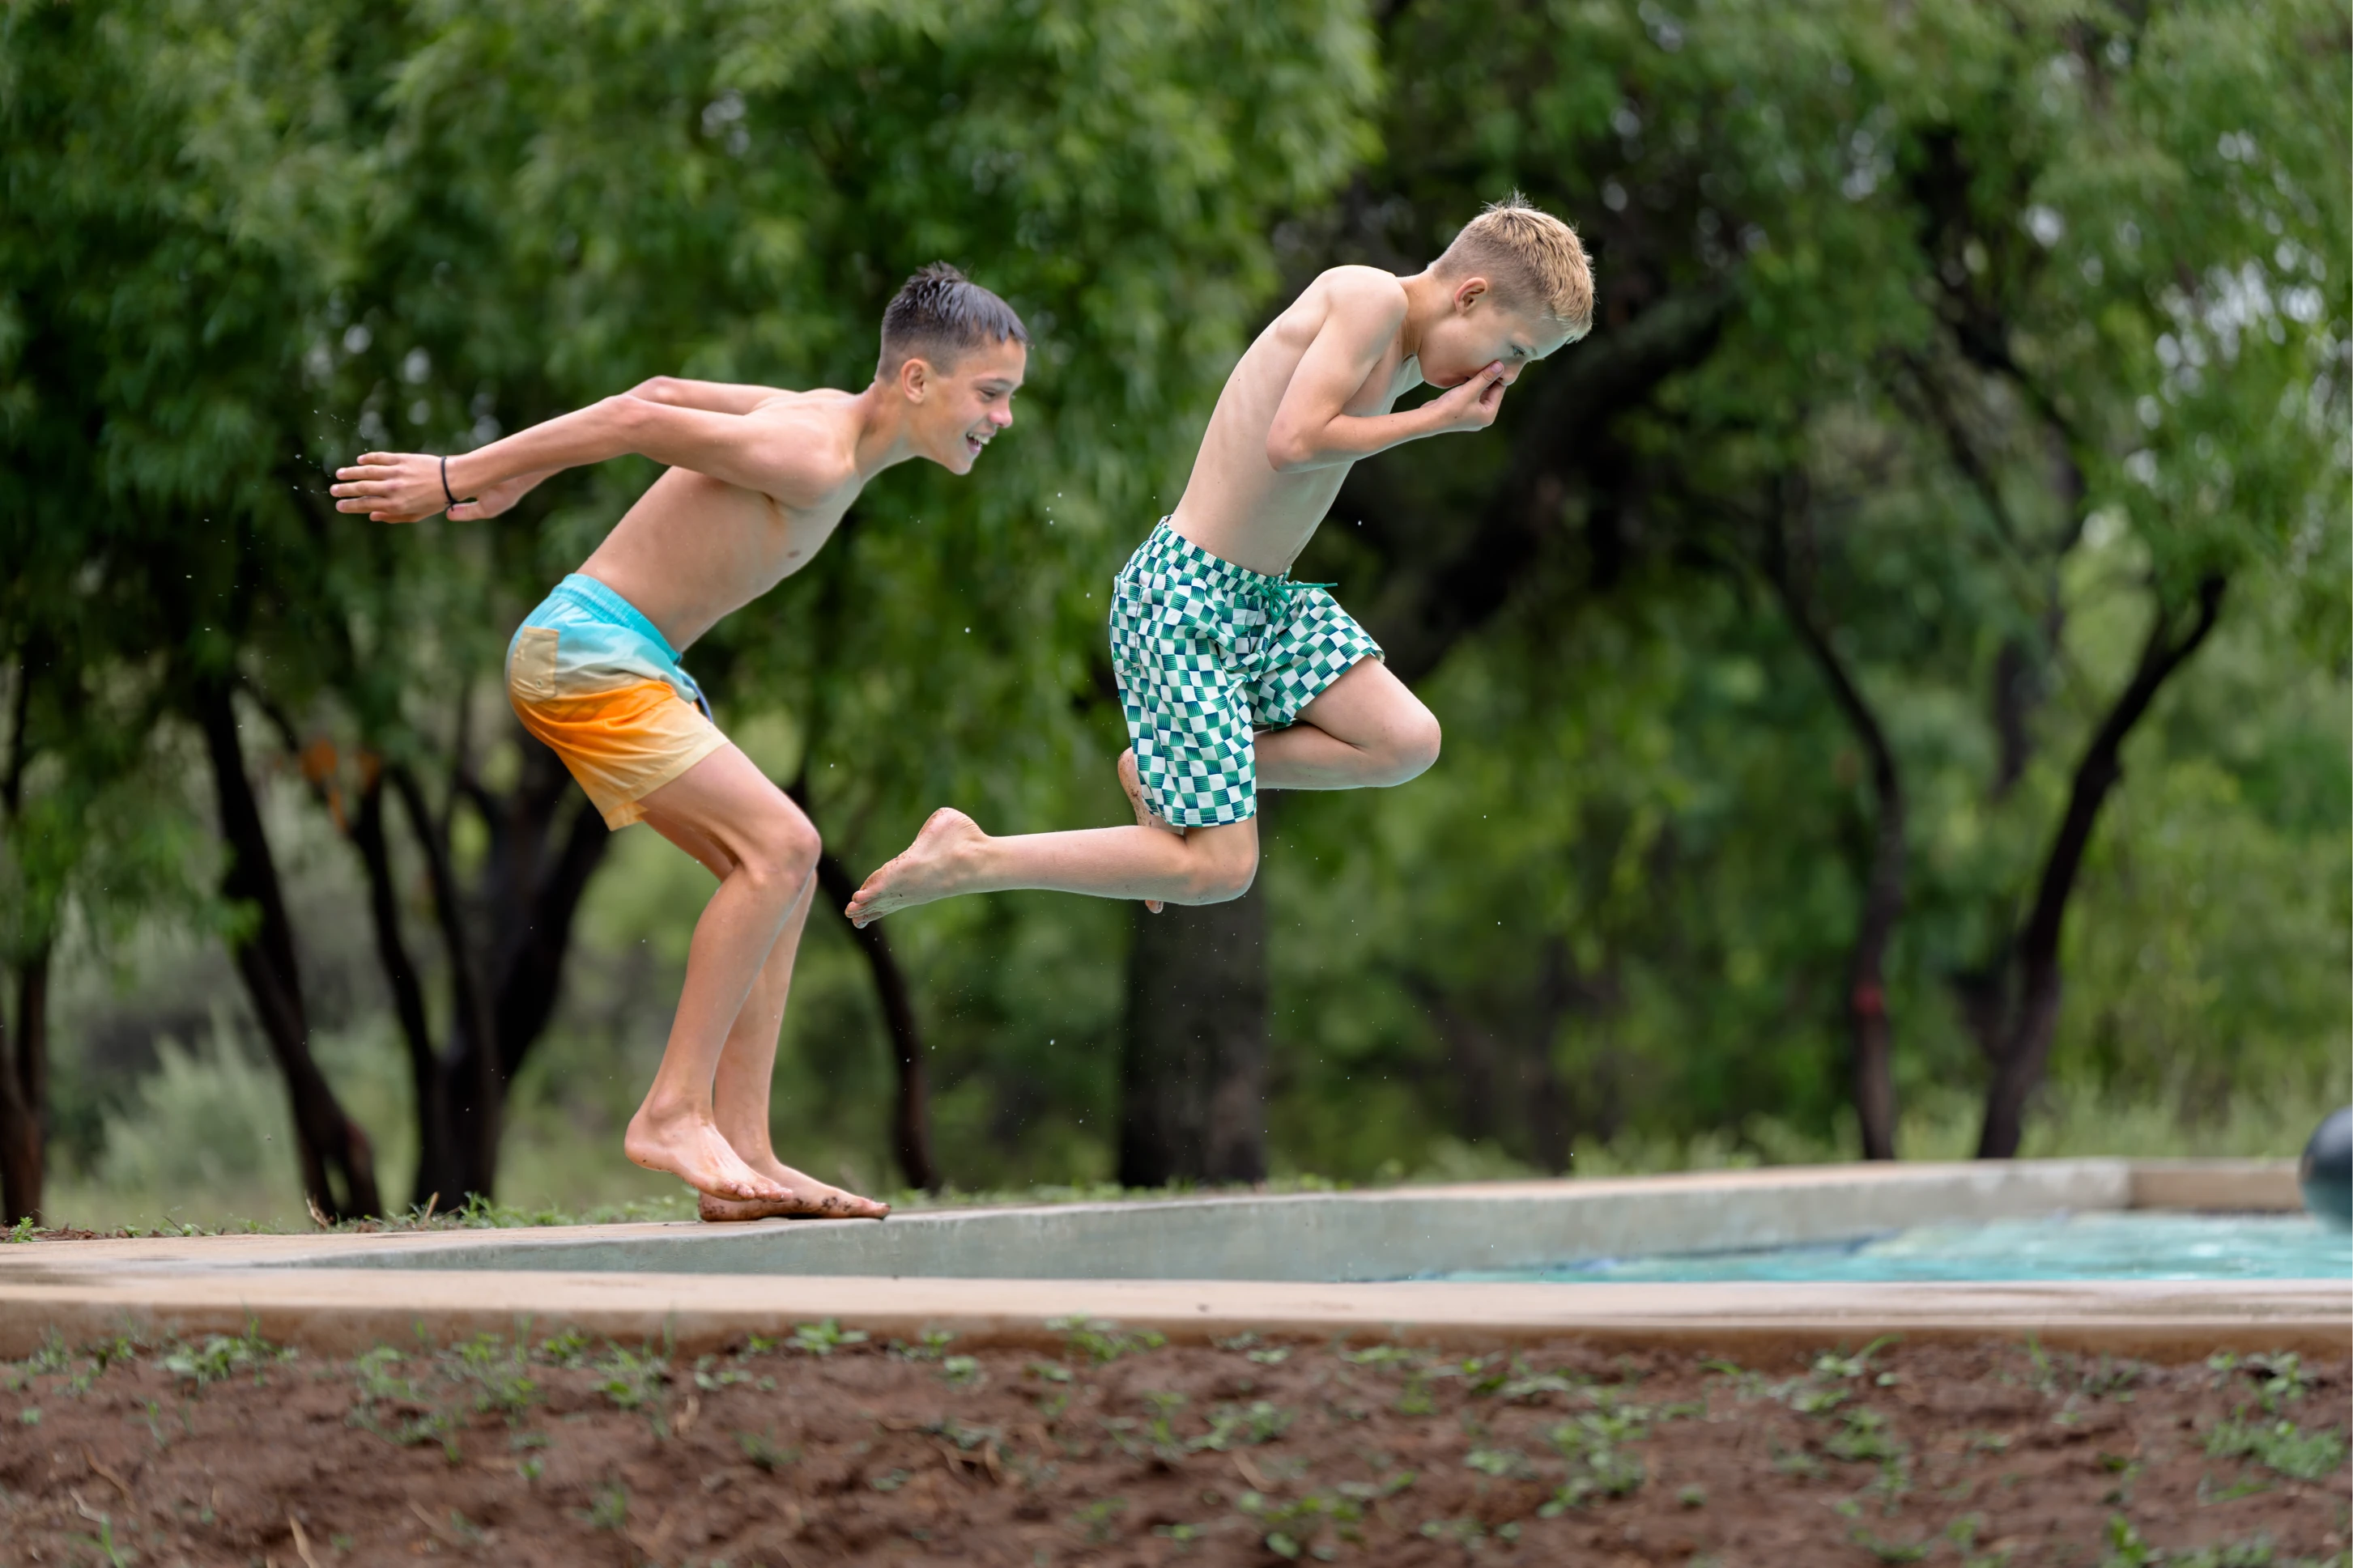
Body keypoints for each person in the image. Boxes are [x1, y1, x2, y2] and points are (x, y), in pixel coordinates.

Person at [330, 265, 1030, 1221]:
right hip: (585, 652)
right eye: (990, 395)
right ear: (916, 380)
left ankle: (743, 1157)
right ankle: (671, 1110)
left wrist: (521, 479)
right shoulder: (813, 452)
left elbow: (660, 394)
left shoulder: (830, 423)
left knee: (778, 876)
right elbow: (631, 418)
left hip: (623, 655)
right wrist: (462, 474)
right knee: (783, 847)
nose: (1001, 418)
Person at [845, 198, 1591, 928]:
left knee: (1406, 741)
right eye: (1516, 350)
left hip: (1263, 604)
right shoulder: (1369, 299)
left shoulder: (1408, 351)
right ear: (1470, 294)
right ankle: (973, 854)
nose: (1506, 376)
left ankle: (1167, 768)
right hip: (1186, 597)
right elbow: (1292, 443)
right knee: (1219, 870)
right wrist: (1434, 421)